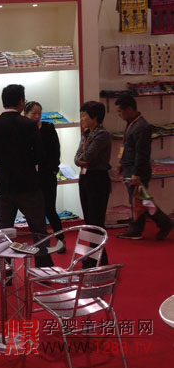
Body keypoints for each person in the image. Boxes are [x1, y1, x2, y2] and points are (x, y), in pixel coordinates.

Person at [0, 84, 53, 267]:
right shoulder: (29, 125)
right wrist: (25, 162)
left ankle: (4, 271)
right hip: (29, 184)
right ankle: (43, 268)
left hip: (4, 184)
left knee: (4, 230)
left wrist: (5, 163)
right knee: (38, 229)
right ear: (21, 102)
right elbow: (40, 155)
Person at [114, 94, 174, 240]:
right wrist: (121, 162)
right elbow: (127, 146)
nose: (119, 115)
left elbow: (142, 153)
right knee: (138, 201)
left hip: (137, 170)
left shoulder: (141, 127)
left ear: (129, 109)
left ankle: (164, 223)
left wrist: (136, 173)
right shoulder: (132, 123)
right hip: (130, 168)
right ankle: (137, 229)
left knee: (142, 202)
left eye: (120, 111)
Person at [24, 101, 66, 254]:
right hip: (31, 177)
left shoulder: (48, 128)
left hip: (47, 175)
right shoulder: (23, 130)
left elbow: (56, 150)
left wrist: (53, 169)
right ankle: (41, 242)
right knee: (35, 212)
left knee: (50, 209)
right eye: (33, 113)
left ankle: (60, 239)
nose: (37, 116)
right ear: (25, 114)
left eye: (39, 113)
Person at [74, 101, 110, 268]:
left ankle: (98, 256)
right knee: (89, 219)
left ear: (95, 117)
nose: (81, 119)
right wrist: (80, 160)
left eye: (84, 115)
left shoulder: (102, 135)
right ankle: (96, 255)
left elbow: (87, 156)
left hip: (98, 179)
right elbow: (77, 158)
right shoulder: (86, 134)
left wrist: (81, 159)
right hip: (86, 178)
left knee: (96, 220)